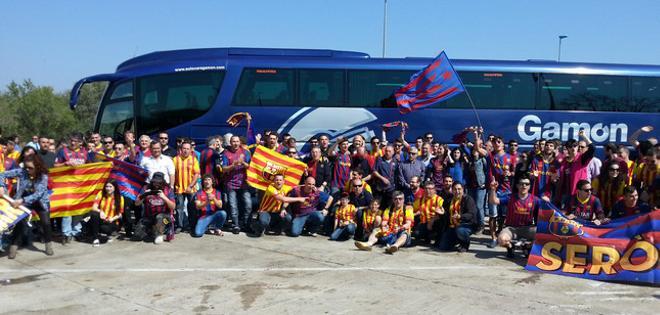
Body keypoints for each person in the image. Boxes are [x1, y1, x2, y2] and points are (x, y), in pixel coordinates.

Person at [0, 155, 54, 259]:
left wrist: (22, 200)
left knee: (46, 223)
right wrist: (1, 186)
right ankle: (13, 247)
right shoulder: (22, 172)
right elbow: (1, 174)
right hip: (23, 203)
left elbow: (38, 194)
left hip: (40, 202)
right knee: (19, 223)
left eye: (30, 168)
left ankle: (48, 244)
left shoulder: (43, 176)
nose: (27, 170)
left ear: (38, 167)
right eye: (26, 167)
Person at [489, 174, 541, 259]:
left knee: (542, 234)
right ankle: (510, 247)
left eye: (526, 184)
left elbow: (547, 209)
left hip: (527, 228)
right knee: (501, 239)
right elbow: (494, 201)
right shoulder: (510, 197)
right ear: (517, 185)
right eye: (521, 183)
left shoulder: (535, 200)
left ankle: (527, 247)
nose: (524, 186)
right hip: (511, 228)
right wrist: (493, 189)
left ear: (529, 186)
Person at [55, 132, 90, 244]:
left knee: (78, 210)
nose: (73, 142)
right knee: (67, 209)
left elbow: (91, 167)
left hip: (81, 186)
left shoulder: (85, 152)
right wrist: (65, 164)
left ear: (80, 142)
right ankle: (66, 233)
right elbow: (55, 166)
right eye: (71, 140)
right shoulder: (62, 151)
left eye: (75, 141)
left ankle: (76, 232)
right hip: (67, 185)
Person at [221, 135, 253, 234]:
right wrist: (233, 165)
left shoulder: (246, 152)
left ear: (240, 142)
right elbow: (223, 168)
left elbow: (251, 167)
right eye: (233, 141)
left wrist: (243, 162)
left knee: (248, 205)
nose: (235, 143)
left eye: (237, 141)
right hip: (231, 184)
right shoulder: (226, 153)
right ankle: (236, 225)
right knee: (233, 206)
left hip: (244, 183)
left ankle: (246, 224)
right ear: (230, 143)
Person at [134, 172, 176, 244]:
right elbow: (136, 204)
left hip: (165, 218)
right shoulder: (146, 187)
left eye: (159, 182)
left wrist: (164, 198)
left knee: (159, 217)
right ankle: (152, 230)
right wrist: (144, 195)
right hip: (149, 216)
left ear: (163, 182)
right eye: (154, 182)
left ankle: (159, 234)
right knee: (138, 235)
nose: (156, 184)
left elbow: (173, 207)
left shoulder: (168, 189)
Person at [437, 182, 478, 252]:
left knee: (460, 230)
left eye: (459, 189)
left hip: (466, 225)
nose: (457, 191)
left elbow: (471, 214)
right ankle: (457, 240)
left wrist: (460, 216)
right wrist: (443, 213)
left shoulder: (468, 199)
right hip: (452, 226)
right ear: (452, 190)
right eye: (455, 189)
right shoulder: (449, 200)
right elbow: (447, 215)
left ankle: (465, 244)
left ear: (463, 190)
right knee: (443, 247)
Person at [172, 141, 201, 233]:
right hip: (179, 188)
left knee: (192, 207)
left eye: (187, 149)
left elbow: (197, 174)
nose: (185, 150)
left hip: (191, 188)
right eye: (184, 148)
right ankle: (180, 226)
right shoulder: (175, 159)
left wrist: (190, 185)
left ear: (190, 150)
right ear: (180, 149)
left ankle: (192, 226)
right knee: (179, 208)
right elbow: (172, 174)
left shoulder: (194, 160)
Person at [87, 179, 124, 246]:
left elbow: (120, 214)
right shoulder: (101, 194)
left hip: (111, 221)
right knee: (94, 214)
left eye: (110, 187)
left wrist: (112, 219)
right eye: (107, 186)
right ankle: (95, 238)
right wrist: (100, 211)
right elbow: (93, 207)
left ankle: (106, 235)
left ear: (115, 188)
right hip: (101, 219)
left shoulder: (120, 198)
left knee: (106, 229)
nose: (108, 188)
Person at [372, 145, 397, 210]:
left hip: (391, 189)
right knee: (379, 207)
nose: (387, 153)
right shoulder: (379, 159)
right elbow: (374, 171)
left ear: (393, 152)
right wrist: (382, 178)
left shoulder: (396, 161)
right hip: (380, 189)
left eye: (389, 151)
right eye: (386, 151)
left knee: (390, 207)